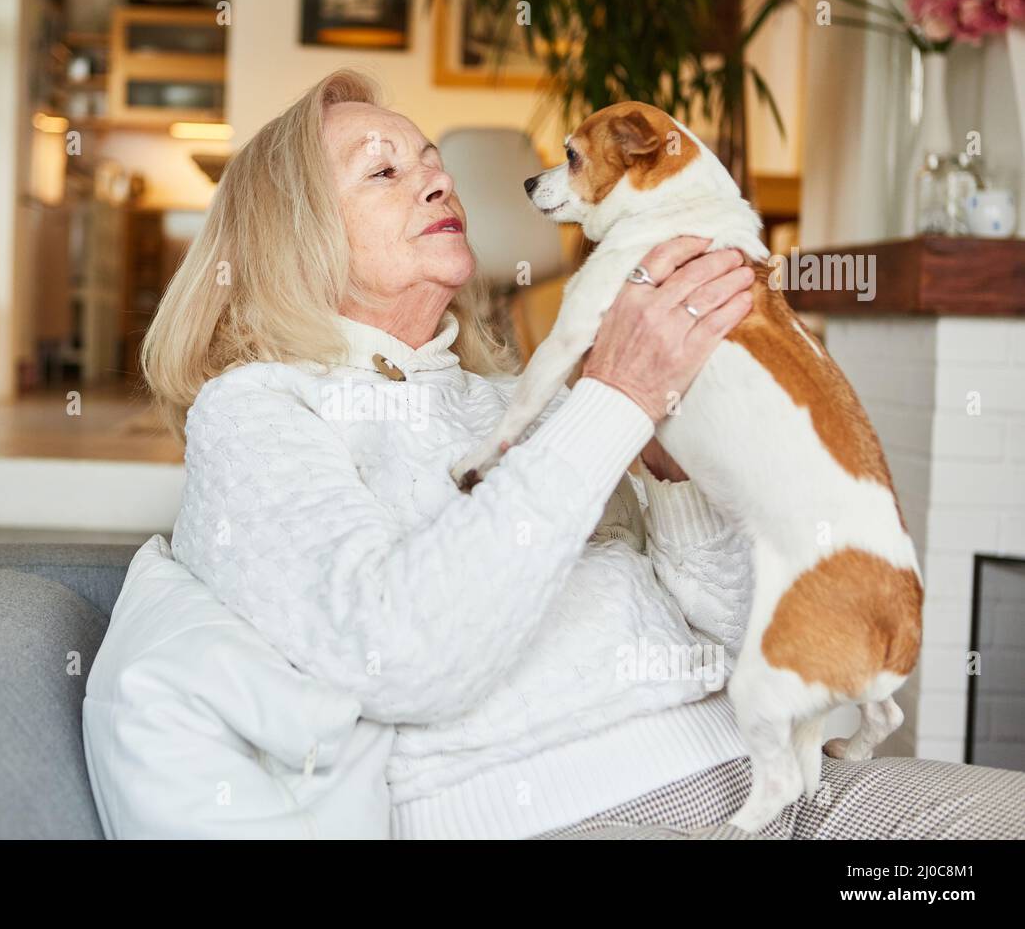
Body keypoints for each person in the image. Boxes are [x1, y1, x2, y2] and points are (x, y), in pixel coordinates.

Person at [136, 68, 1025, 839]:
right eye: (385, 170)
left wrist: (674, 473)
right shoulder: (256, 413)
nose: (437, 180)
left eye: (432, 159)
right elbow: (395, 652)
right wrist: (614, 404)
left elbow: (730, 620)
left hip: (773, 781)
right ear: (292, 234)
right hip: (572, 814)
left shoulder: (511, 401)